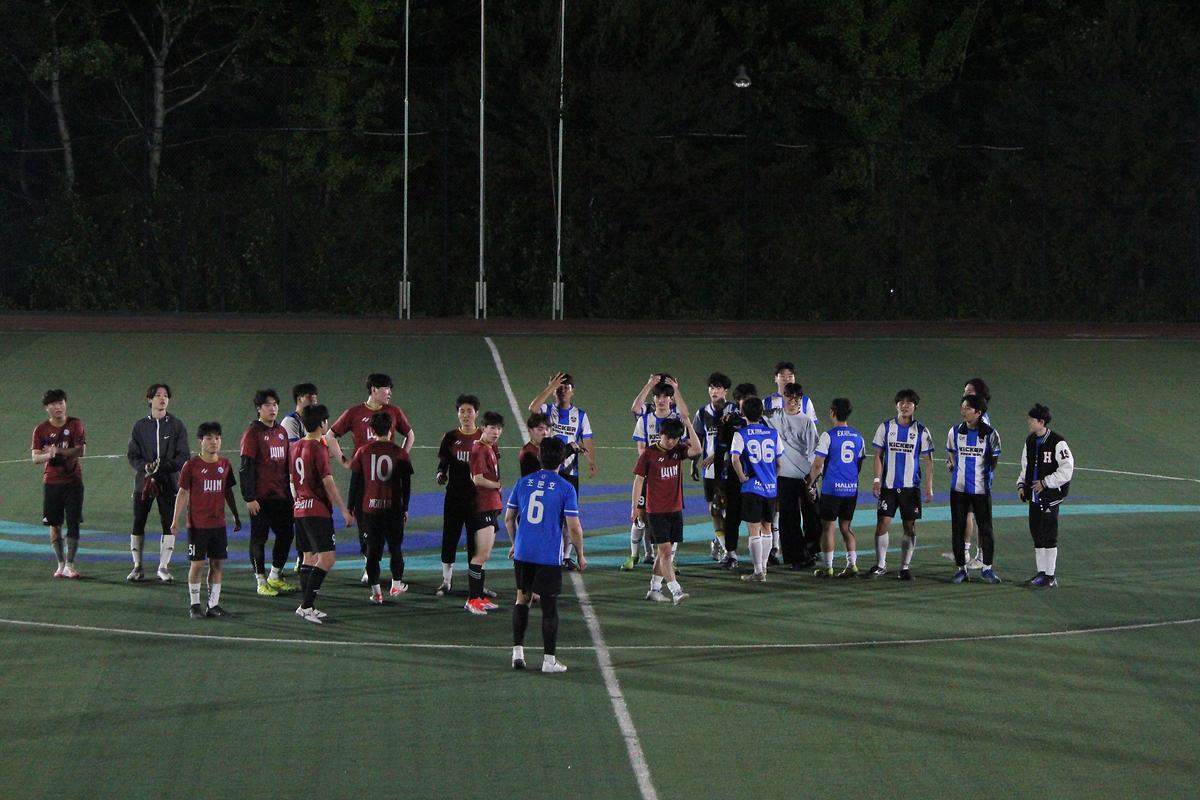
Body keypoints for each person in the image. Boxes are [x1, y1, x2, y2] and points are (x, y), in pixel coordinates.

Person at [506, 438, 586, 673]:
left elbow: (509, 519)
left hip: (523, 551)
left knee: (522, 599)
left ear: (539, 457)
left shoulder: (523, 482)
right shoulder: (565, 488)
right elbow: (574, 527)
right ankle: (549, 661)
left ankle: (517, 653)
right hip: (548, 554)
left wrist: (515, 543)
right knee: (549, 607)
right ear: (562, 460)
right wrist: (580, 554)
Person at [330, 373, 414, 584]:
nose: (390, 393)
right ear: (374, 390)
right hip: (364, 478)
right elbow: (330, 436)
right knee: (364, 523)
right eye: (386, 388)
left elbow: (410, 434)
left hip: (388, 478)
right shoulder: (354, 413)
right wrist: (344, 461)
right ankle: (369, 565)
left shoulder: (394, 411)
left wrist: (400, 457)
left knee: (391, 524)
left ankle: (392, 573)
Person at [170, 422, 242, 619]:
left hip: (218, 525)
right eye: (209, 438)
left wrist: (235, 514)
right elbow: (183, 493)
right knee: (198, 564)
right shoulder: (191, 465)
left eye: (217, 438)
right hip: (198, 525)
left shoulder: (225, 464)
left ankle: (213, 605)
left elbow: (228, 491)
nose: (214, 442)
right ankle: (194, 605)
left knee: (217, 564)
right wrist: (175, 520)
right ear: (200, 441)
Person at [291, 405, 354, 623]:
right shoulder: (318, 448)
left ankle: (307, 606)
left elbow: (293, 480)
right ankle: (306, 606)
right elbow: (328, 481)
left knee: (308, 557)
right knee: (327, 558)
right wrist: (344, 509)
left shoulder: (295, 447)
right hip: (316, 511)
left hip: (300, 509)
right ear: (322, 423)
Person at [527, 372, 597, 569]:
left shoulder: (580, 415)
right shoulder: (547, 410)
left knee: (568, 516)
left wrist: (591, 461)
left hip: (570, 472)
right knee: (548, 513)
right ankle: (545, 550)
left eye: (566, 387)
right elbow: (533, 408)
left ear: (573, 391)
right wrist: (550, 386)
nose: (563, 391)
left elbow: (587, 439)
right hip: (549, 470)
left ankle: (565, 556)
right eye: (559, 387)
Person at [633, 412, 701, 603]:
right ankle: (676, 590)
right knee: (665, 552)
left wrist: (688, 424)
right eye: (668, 437)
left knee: (665, 552)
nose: (671, 441)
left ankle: (654, 589)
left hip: (675, 508)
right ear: (661, 434)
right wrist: (635, 507)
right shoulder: (649, 454)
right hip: (656, 511)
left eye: (675, 438)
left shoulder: (678, 450)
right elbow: (638, 481)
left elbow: (697, 449)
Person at [867, 389, 934, 581]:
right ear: (896, 405)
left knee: (910, 527)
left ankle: (905, 567)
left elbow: (928, 460)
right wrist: (877, 480)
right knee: (882, 523)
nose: (904, 406)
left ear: (915, 407)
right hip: (888, 487)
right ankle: (881, 565)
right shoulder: (885, 427)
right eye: (901, 402)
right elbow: (878, 455)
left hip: (910, 488)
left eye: (909, 403)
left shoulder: (921, 431)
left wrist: (929, 487)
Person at [127, 383, 190, 583]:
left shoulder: (176, 425)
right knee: (138, 521)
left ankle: (163, 567)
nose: (162, 399)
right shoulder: (140, 426)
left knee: (168, 523)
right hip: (143, 483)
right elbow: (132, 455)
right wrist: (146, 467)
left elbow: (184, 455)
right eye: (158, 395)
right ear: (149, 399)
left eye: (165, 396)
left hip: (169, 482)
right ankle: (137, 566)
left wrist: (163, 467)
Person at [349, 412, 414, 603]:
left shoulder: (363, 451)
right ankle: (396, 584)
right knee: (395, 548)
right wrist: (405, 507)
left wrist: (351, 506)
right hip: (393, 509)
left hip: (370, 510)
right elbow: (406, 484)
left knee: (372, 553)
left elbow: (355, 481)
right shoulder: (400, 453)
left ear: (371, 430)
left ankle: (376, 592)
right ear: (391, 430)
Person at [239, 389, 297, 597]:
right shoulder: (252, 433)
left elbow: (287, 466)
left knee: (287, 534)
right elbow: (246, 467)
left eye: (275, 404)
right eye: (267, 405)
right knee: (259, 538)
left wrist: (290, 494)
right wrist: (249, 497)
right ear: (258, 408)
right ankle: (260, 581)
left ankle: (275, 575)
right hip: (261, 498)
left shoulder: (281, 432)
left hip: (281, 496)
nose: (272, 409)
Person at [623, 379, 686, 570]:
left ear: (671, 399)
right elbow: (641, 448)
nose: (662, 400)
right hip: (650, 474)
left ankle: (669, 561)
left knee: (671, 520)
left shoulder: (676, 420)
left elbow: (686, 417)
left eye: (666, 396)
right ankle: (634, 556)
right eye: (658, 396)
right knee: (640, 517)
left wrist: (676, 389)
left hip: (669, 477)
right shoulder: (645, 420)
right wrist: (651, 466)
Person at [435, 394, 487, 597]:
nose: (465, 415)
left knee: (476, 542)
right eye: (462, 411)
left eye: (469, 411)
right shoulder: (450, 437)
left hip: (477, 499)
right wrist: (440, 473)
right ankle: (446, 581)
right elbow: (443, 463)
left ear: (476, 413)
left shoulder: (484, 437)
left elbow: (492, 467)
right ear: (458, 413)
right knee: (450, 538)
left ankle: (477, 585)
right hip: (454, 497)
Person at [946, 394, 1002, 584]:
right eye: (962, 407)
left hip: (981, 490)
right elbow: (952, 455)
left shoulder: (991, 434)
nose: (963, 411)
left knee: (986, 529)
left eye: (967, 408)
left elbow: (993, 461)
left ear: (978, 412)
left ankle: (987, 569)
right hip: (959, 490)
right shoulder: (954, 431)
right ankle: (961, 569)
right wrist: (956, 468)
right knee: (958, 529)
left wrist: (982, 476)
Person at [31, 389, 87, 578]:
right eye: (54, 404)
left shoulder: (75, 424)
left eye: (61, 403)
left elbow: (81, 451)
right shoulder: (41, 430)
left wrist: (59, 451)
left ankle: (70, 564)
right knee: (54, 524)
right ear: (46, 408)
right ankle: (60, 564)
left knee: (73, 523)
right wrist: (49, 455)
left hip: (73, 482)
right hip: (52, 482)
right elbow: (35, 457)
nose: (58, 407)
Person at [729, 395, 785, 582]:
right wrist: (772, 478)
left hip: (752, 488)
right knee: (767, 528)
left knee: (754, 530)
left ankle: (758, 570)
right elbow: (780, 462)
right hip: (770, 488)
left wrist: (742, 477)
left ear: (743, 413)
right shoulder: (773, 433)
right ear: (761, 413)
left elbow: (735, 459)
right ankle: (764, 568)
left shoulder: (741, 434)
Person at [1017, 404, 1074, 588]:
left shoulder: (1058, 442)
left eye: (1031, 420)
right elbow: (1026, 466)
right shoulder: (1030, 441)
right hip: (1034, 497)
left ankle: (1050, 576)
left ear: (1041, 422)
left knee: (1049, 535)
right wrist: (1022, 485)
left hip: (1050, 496)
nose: (1029, 422)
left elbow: (1067, 470)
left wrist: (1046, 482)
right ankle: (1041, 573)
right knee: (1037, 534)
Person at [808, 398, 866, 578]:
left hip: (832, 489)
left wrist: (810, 483)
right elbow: (858, 464)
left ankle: (828, 567)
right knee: (846, 527)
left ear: (832, 412)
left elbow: (818, 465)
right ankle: (852, 565)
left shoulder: (828, 436)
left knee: (828, 528)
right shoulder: (858, 437)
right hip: (851, 488)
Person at [767, 382, 818, 569]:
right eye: (789, 396)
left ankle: (810, 550)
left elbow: (815, 453)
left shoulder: (806, 422)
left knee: (813, 517)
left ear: (801, 400)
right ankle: (797, 558)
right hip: (784, 477)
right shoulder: (774, 415)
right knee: (789, 519)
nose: (792, 401)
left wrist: (813, 481)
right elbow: (754, 414)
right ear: (783, 397)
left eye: (796, 398)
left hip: (805, 477)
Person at [465, 411, 506, 615]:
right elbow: (478, 479)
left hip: (491, 506)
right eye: (492, 428)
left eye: (499, 428)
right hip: (483, 507)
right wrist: (497, 484)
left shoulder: (490, 447)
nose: (496, 432)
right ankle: (472, 600)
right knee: (481, 555)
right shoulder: (479, 449)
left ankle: (479, 597)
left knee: (484, 555)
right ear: (483, 428)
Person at [713, 383, 756, 569]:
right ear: (737, 401)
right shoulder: (729, 421)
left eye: (750, 399)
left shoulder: (761, 422)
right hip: (734, 478)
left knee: (758, 518)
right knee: (732, 517)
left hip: (756, 477)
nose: (746, 402)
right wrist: (718, 482)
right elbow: (720, 452)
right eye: (743, 399)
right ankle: (731, 554)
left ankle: (762, 556)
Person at [692, 372, 733, 562]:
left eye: (718, 388)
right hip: (709, 471)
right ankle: (723, 545)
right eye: (711, 387)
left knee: (728, 510)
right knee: (714, 510)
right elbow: (697, 440)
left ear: (726, 390)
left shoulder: (734, 411)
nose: (714, 391)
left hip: (731, 469)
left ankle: (724, 545)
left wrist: (716, 456)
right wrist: (694, 463)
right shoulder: (702, 413)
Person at [955, 377, 992, 569]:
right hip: (967, 476)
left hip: (978, 479)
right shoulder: (972, 417)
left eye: (970, 392)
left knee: (978, 517)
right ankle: (965, 552)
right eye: (965, 391)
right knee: (968, 514)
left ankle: (980, 556)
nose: (965, 395)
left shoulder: (982, 421)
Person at [519, 412, 552, 477]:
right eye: (540, 429)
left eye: (547, 429)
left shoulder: (548, 447)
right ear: (530, 430)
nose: (545, 433)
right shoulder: (528, 453)